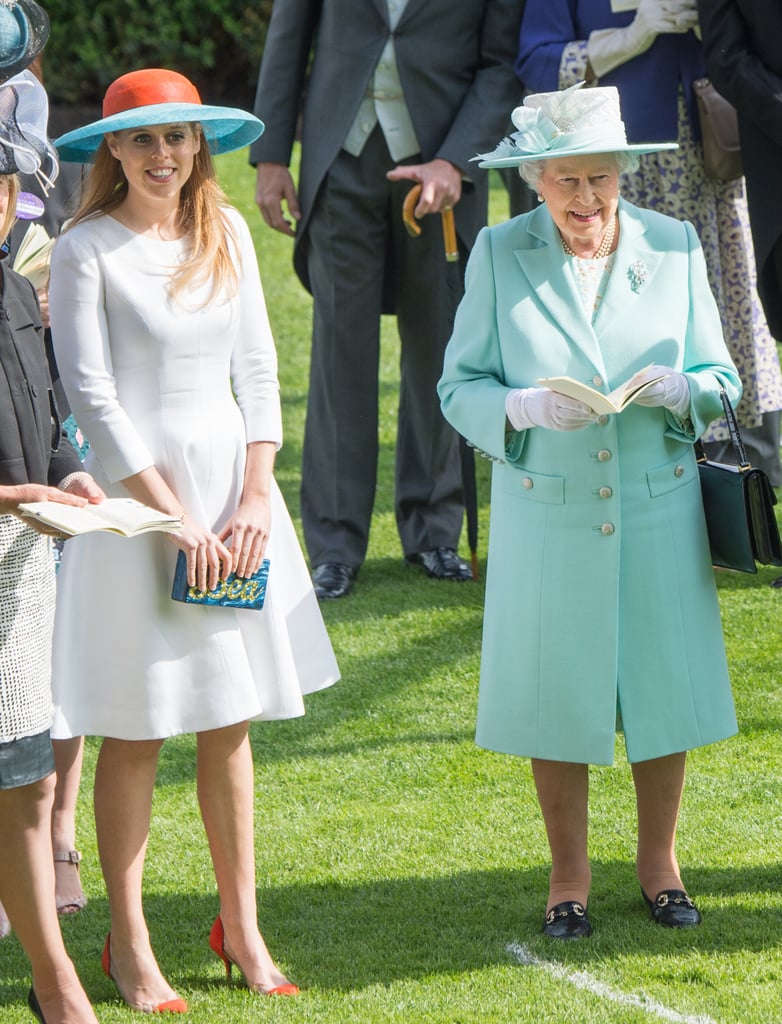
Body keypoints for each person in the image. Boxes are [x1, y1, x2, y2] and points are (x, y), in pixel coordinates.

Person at [47, 68, 340, 1011]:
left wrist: (255, 495)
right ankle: (127, 943)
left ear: (198, 146)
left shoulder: (229, 234)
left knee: (228, 719)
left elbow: (260, 368)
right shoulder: (84, 249)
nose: (164, 156)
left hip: (231, 495)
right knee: (135, 730)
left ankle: (241, 927)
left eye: (179, 138)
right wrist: (168, 521)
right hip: (136, 509)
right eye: (143, 140)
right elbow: (90, 396)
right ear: (112, 152)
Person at [438, 83, 740, 939]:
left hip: (658, 508)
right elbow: (459, 387)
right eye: (567, 180)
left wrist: (685, 390)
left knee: (660, 687)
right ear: (535, 178)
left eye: (601, 179)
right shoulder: (499, 252)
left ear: (623, 176)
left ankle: (661, 865)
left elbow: (723, 380)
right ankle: (567, 873)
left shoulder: (674, 245)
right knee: (555, 691)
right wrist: (523, 410)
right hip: (549, 510)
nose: (586, 199)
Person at [251, 0, 523, 599]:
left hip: (443, 171)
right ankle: (334, 545)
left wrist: (456, 159)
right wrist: (272, 157)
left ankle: (432, 531)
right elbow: (288, 37)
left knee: (438, 352)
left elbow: (501, 64)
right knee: (339, 355)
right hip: (340, 161)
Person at [515, 0, 782, 485]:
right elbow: (537, 62)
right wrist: (628, 37)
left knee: (726, 309)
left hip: (708, 156)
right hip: (611, 174)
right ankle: (637, 455)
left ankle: (743, 468)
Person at [0, 61, 103, 1024]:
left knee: (26, 783)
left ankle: (52, 980)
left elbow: (47, 405)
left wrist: (69, 470)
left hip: (23, 567)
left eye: (7, 185)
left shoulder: (16, 271)